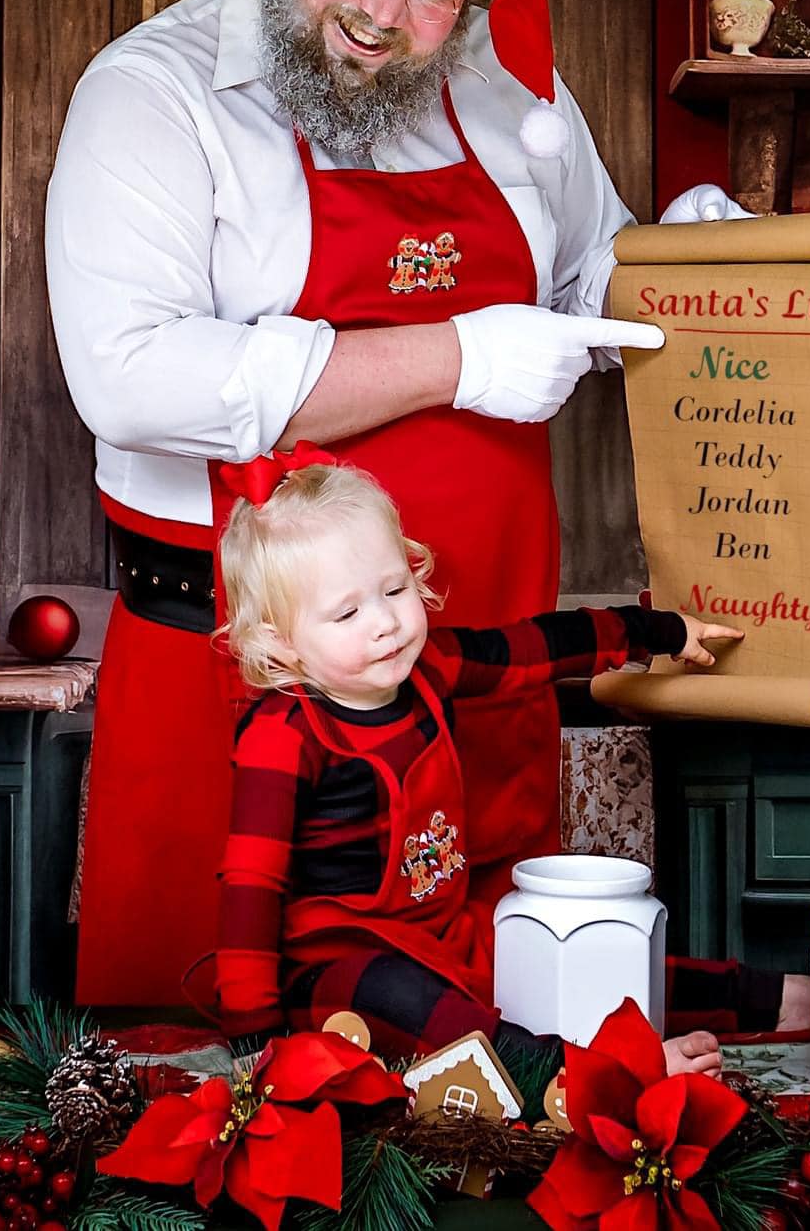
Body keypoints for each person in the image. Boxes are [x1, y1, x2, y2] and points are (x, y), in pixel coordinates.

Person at [47, 0, 810, 1037]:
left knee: (506, 1029)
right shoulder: (154, 94)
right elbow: (126, 377)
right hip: (248, 686)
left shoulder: (513, 98)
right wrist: (455, 357)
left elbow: (587, 278)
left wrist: (678, 260)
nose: (381, 18)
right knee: (229, 1060)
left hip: (478, 676)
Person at [200, 448, 745, 1074]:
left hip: (442, 936)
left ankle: (768, 999)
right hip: (338, 970)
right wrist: (254, 1037)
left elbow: (541, 647)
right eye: (348, 612)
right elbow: (249, 887)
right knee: (415, 1003)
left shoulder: (431, 672)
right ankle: (585, 1075)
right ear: (279, 641)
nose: (385, 622)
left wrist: (659, 631)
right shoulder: (283, 733)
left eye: (394, 588)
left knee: (576, 947)